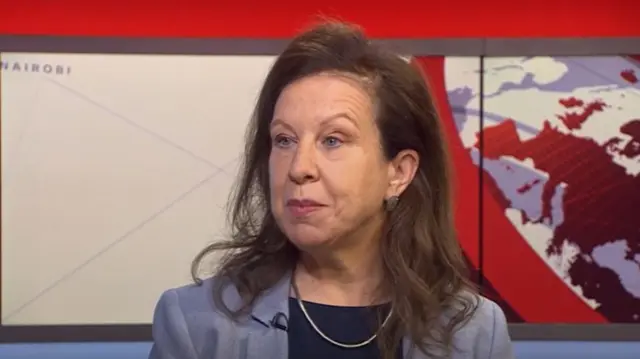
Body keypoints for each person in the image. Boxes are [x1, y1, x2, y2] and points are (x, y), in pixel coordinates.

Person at [148, 21, 514, 359]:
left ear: (398, 172)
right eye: (284, 139)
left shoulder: (475, 334)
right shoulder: (197, 326)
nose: (299, 167)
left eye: (333, 140)